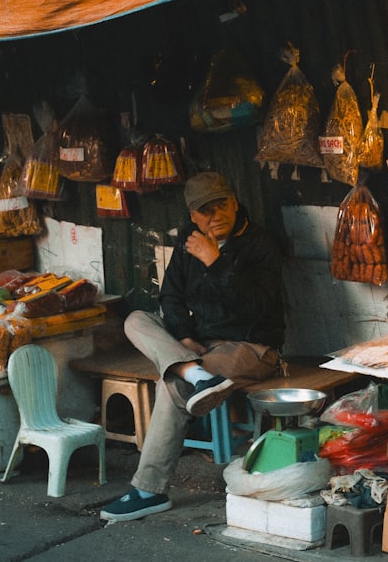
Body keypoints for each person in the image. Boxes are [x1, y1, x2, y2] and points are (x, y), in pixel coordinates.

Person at [100, 171, 285, 522]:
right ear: (193, 217)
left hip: (252, 347)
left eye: (223, 205)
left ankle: (148, 490)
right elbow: (170, 295)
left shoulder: (260, 244)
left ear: (235, 202)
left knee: (169, 385)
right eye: (207, 210)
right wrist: (183, 336)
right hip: (199, 347)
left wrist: (215, 261)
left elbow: (254, 308)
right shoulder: (190, 240)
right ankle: (193, 371)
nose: (217, 215)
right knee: (136, 320)